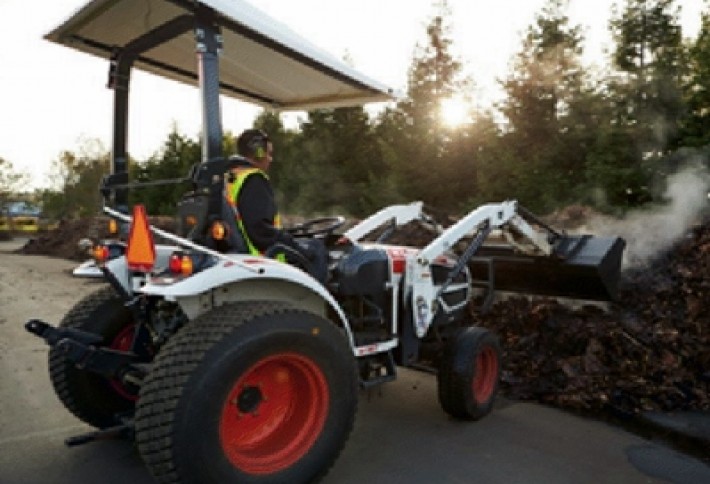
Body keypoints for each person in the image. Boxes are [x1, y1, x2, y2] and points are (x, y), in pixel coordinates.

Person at [225, 128, 328, 282]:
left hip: (241, 252)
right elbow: (260, 230)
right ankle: (323, 302)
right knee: (316, 248)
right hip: (261, 258)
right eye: (269, 154)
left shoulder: (231, 178)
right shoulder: (254, 180)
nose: (270, 159)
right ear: (259, 152)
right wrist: (289, 241)